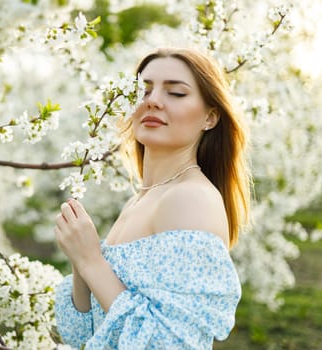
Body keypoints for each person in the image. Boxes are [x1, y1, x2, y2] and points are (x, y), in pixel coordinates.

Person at [53, 47, 250, 350]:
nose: (152, 100)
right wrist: (81, 261)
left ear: (210, 117)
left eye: (176, 93)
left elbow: (169, 344)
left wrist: (93, 260)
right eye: (143, 90)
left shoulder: (190, 200)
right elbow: (86, 334)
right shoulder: (141, 200)